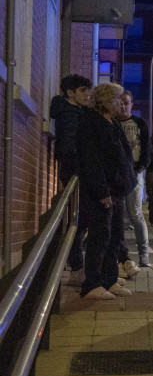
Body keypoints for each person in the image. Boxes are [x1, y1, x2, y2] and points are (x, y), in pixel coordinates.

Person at [76, 82, 135, 299]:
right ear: (106, 100)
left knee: (114, 237)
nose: (122, 103)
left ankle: (109, 280)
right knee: (100, 237)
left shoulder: (113, 123)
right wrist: (102, 191)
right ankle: (92, 284)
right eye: (118, 98)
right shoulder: (91, 123)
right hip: (103, 193)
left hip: (117, 190)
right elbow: (92, 160)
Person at [49, 74, 92, 277]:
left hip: (82, 164)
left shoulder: (83, 111)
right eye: (83, 90)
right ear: (70, 93)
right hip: (72, 164)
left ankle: (75, 261)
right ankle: (76, 263)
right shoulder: (64, 107)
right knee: (79, 213)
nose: (87, 94)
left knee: (83, 214)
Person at [116, 90, 152, 272]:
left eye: (126, 103)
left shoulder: (139, 123)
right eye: (120, 103)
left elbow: (146, 147)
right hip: (116, 173)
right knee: (118, 215)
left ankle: (143, 253)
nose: (123, 106)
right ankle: (120, 255)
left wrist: (141, 167)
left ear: (132, 105)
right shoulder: (113, 122)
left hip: (135, 172)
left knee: (135, 213)